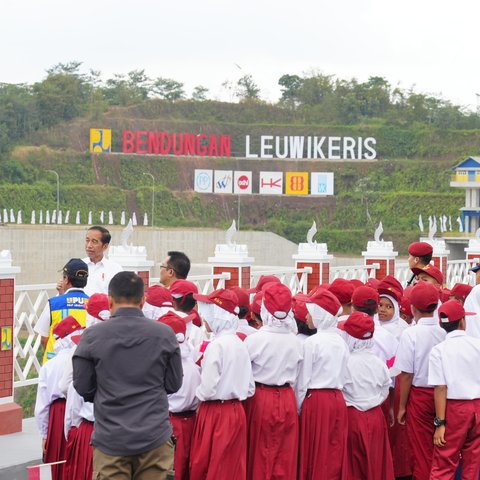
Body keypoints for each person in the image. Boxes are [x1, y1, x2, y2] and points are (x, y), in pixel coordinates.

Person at [73, 271, 183, 480]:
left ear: (109, 302)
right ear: (142, 301)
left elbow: (83, 386)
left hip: (111, 437)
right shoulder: (164, 334)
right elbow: (174, 383)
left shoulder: (91, 336)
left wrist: (106, 394)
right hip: (154, 435)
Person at [190, 288, 255, 480]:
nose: (204, 318)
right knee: (231, 465)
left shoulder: (216, 346)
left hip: (215, 412)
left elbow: (208, 388)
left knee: (209, 464)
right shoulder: (240, 343)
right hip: (237, 411)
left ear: (217, 316)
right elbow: (250, 387)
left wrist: (197, 395)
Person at [244, 283, 302, 480]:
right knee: (284, 454)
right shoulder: (295, 340)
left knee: (260, 452)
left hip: (261, 396)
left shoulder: (254, 340)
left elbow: (244, 374)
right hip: (287, 397)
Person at [395, 281, 446, 480]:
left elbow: (406, 374)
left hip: (420, 394)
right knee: (442, 449)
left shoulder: (411, 334)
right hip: (443, 393)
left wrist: (401, 406)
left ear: (413, 307)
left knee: (422, 451)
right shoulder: (443, 332)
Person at [296, 289, 349, 480]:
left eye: (311, 312)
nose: (307, 317)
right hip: (337, 398)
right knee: (333, 450)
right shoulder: (341, 341)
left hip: (316, 400)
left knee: (314, 449)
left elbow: (303, 381)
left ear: (320, 315)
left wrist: (298, 407)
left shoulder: (312, 343)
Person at [339, 311, 394, 480]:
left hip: (352, 416)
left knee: (353, 466)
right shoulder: (378, 362)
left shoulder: (345, 361)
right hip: (376, 416)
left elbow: (339, 387)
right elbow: (386, 387)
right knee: (375, 462)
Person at [428, 300, 480, 479]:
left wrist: (440, 423)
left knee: (444, 462)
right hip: (477, 406)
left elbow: (440, 388)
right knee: (472, 462)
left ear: (442, 325)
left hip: (455, 408)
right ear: (463, 322)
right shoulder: (477, 345)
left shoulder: (439, 350)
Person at [35, 315, 84, 480]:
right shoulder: (82, 358)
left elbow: (42, 406)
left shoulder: (49, 366)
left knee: (57, 458)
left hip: (57, 413)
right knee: (75, 459)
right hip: (78, 409)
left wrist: (44, 434)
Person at [158, 311, 201, 480]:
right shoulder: (193, 362)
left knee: (171, 470)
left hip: (171, 423)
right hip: (192, 423)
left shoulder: (165, 367)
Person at [34, 258, 89, 363]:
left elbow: (44, 339)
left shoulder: (53, 304)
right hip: (82, 364)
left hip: (55, 365)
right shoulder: (92, 304)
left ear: (66, 279)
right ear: (85, 282)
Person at [79, 226, 122, 296]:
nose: (89, 245)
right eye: (87, 240)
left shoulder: (115, 269)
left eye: (94, 242)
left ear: (105, 246)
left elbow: (120, 296)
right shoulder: (77, 265)